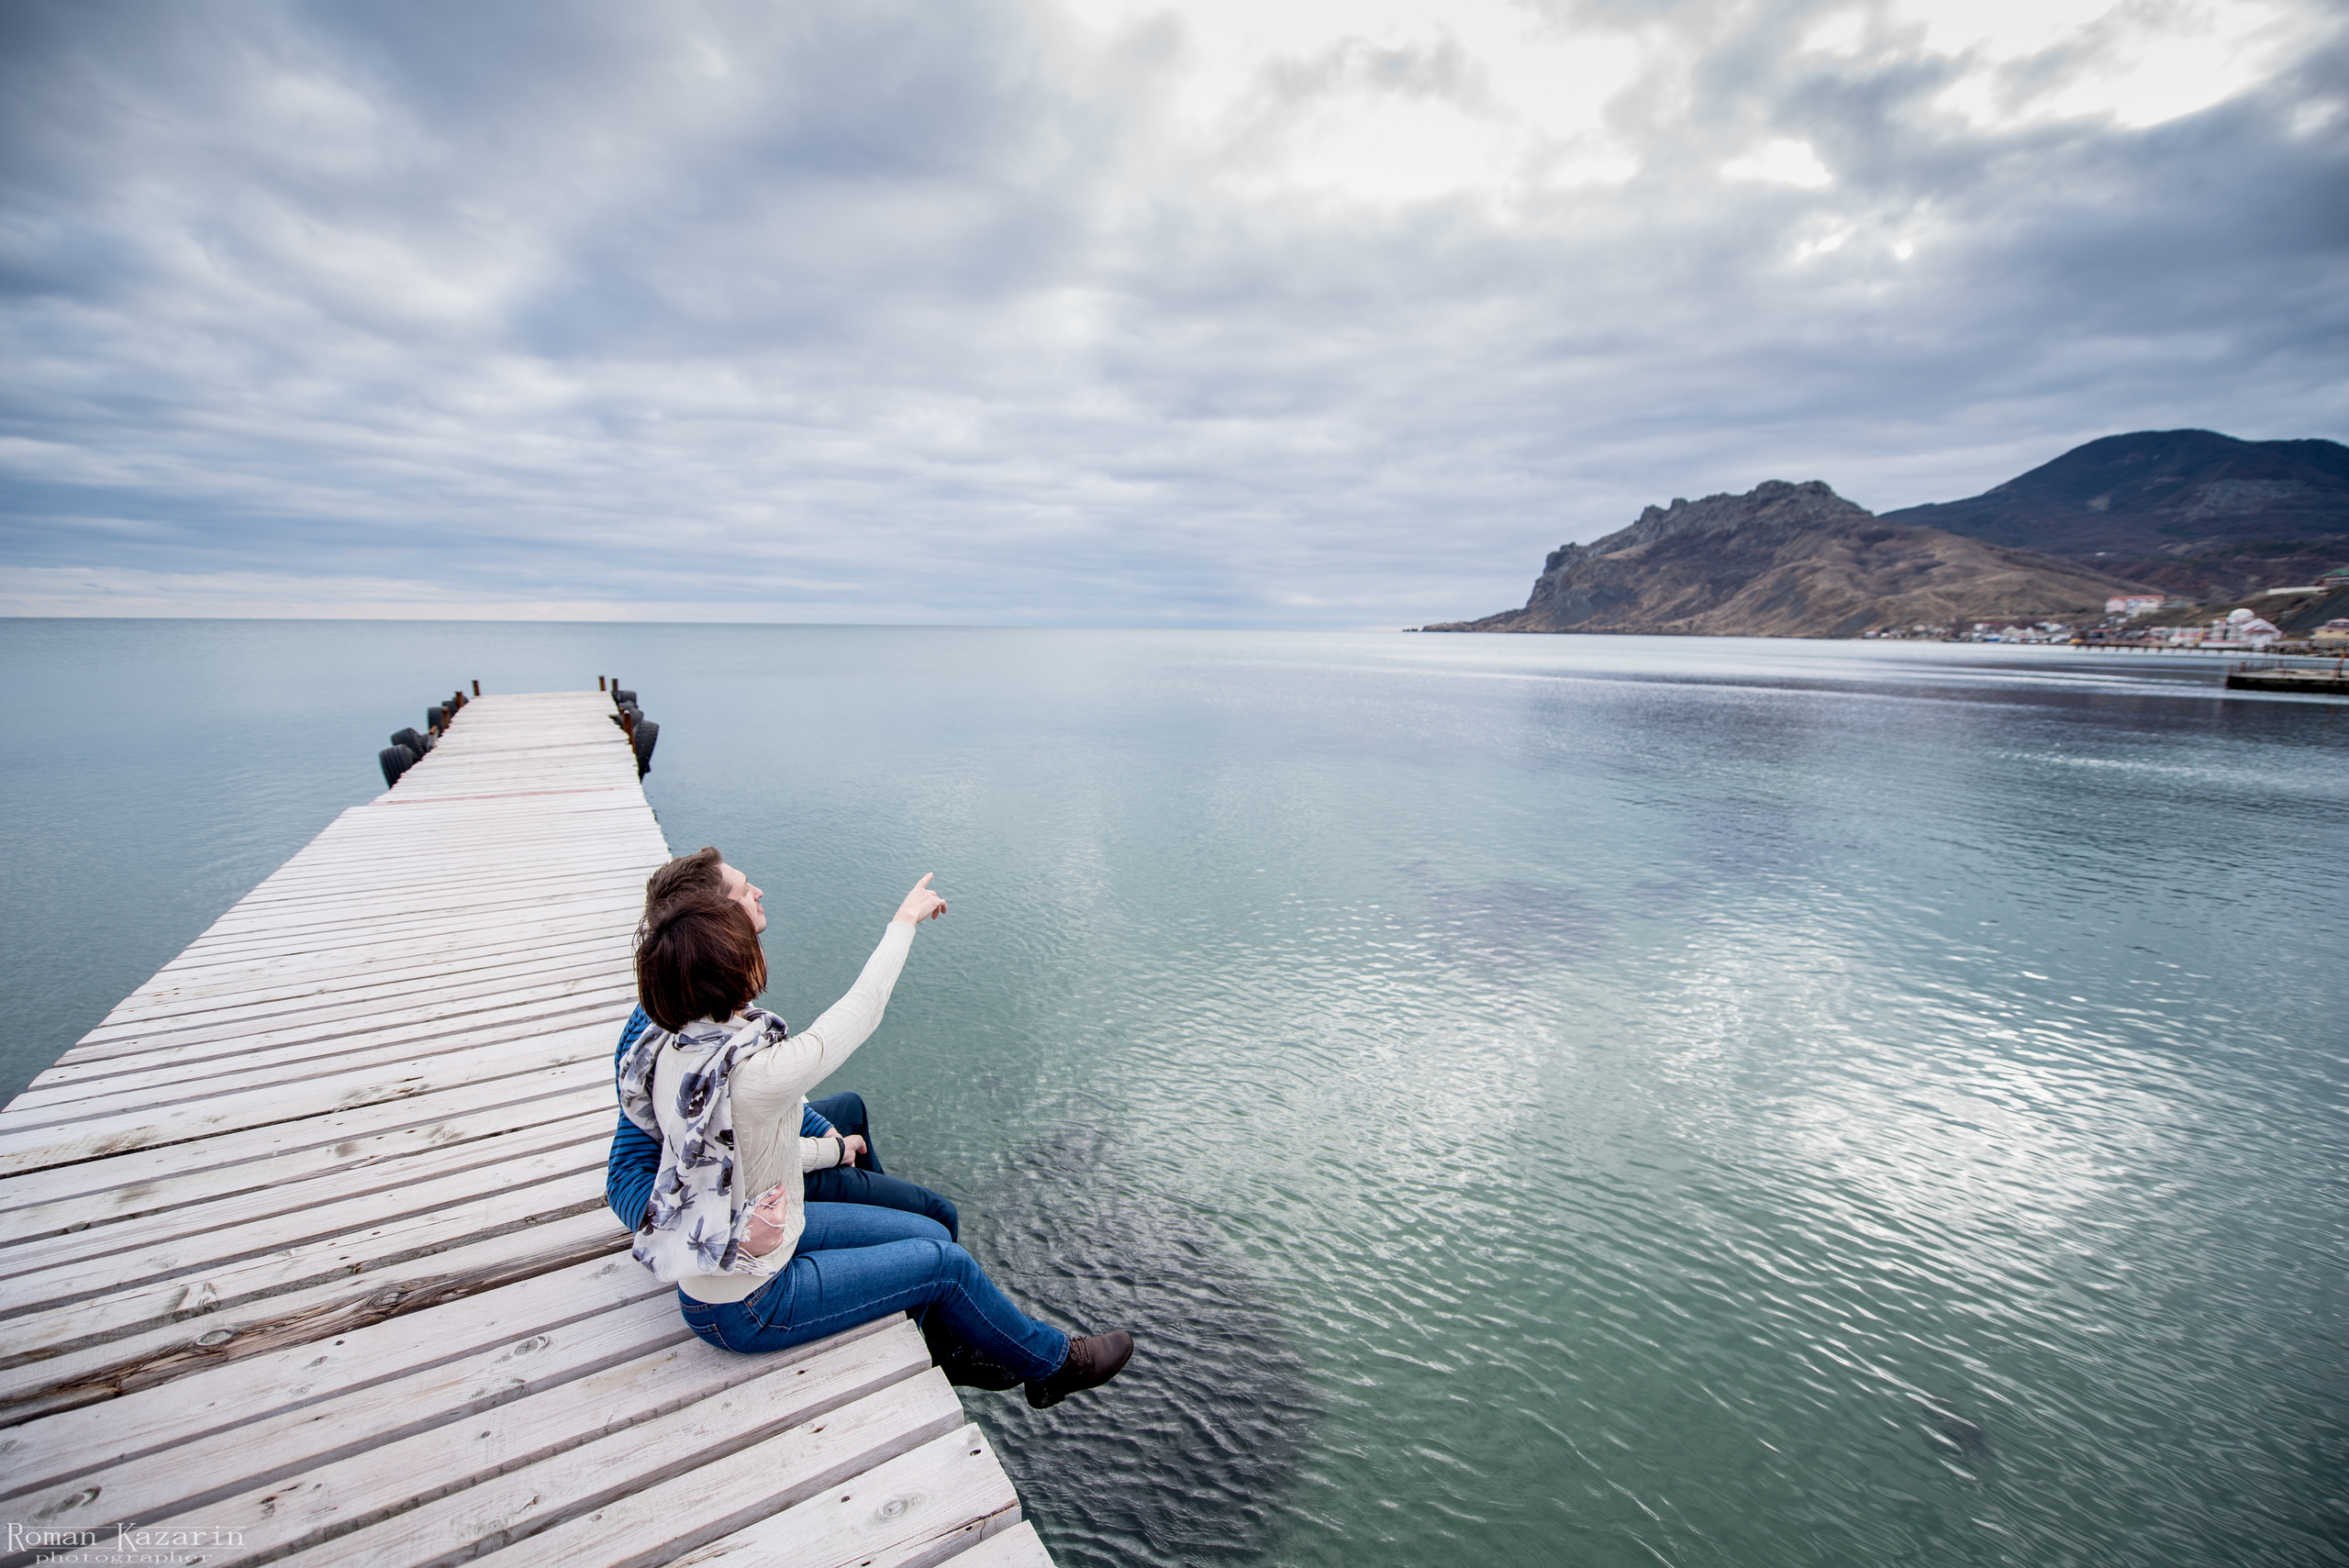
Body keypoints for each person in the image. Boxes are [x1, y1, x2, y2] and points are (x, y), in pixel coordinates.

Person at [618, 869, 1132, 1409]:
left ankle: (959, 1345)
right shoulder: (755, 1074)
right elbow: (860, 1011)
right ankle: (1055, 1365)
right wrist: (903, 921)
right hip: (750, 1305)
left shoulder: (674, 1053)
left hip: (749, 1257)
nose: (759, 954)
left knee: (933, 1228)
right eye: (751, 948)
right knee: (947, 1265)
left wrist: (828, 1150)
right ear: (732, 972)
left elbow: (744, 1153)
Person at [605, 849, 959, 1241]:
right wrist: (712, 1232)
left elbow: (765, 1096)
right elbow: (625, 1176)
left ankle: (879, 1213)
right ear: (715, 921)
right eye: (743, 890)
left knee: (849, 1110)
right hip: (743, 1194)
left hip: (753, 1143)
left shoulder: (701, 998)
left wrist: (825, 1136)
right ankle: (895, 1231)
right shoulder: (659, 1032)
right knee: (937, 1216)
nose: (759, 891)